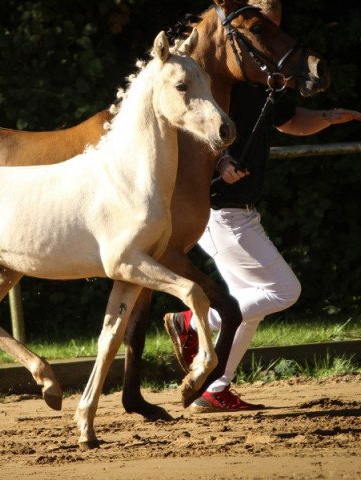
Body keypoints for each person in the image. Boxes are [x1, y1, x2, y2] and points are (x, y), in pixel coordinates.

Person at [163, 0, 361, 412]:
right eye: (263, 27)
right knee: (283, 291)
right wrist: (221, 160)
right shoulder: (219, 80)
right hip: (222, 211)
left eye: (275, 27)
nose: (269, 36)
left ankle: (213, 390)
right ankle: (196, 322)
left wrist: (327, 116)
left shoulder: (261, 79)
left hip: (241, 210)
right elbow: (193, 129)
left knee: (249, 304)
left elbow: (290, 121)